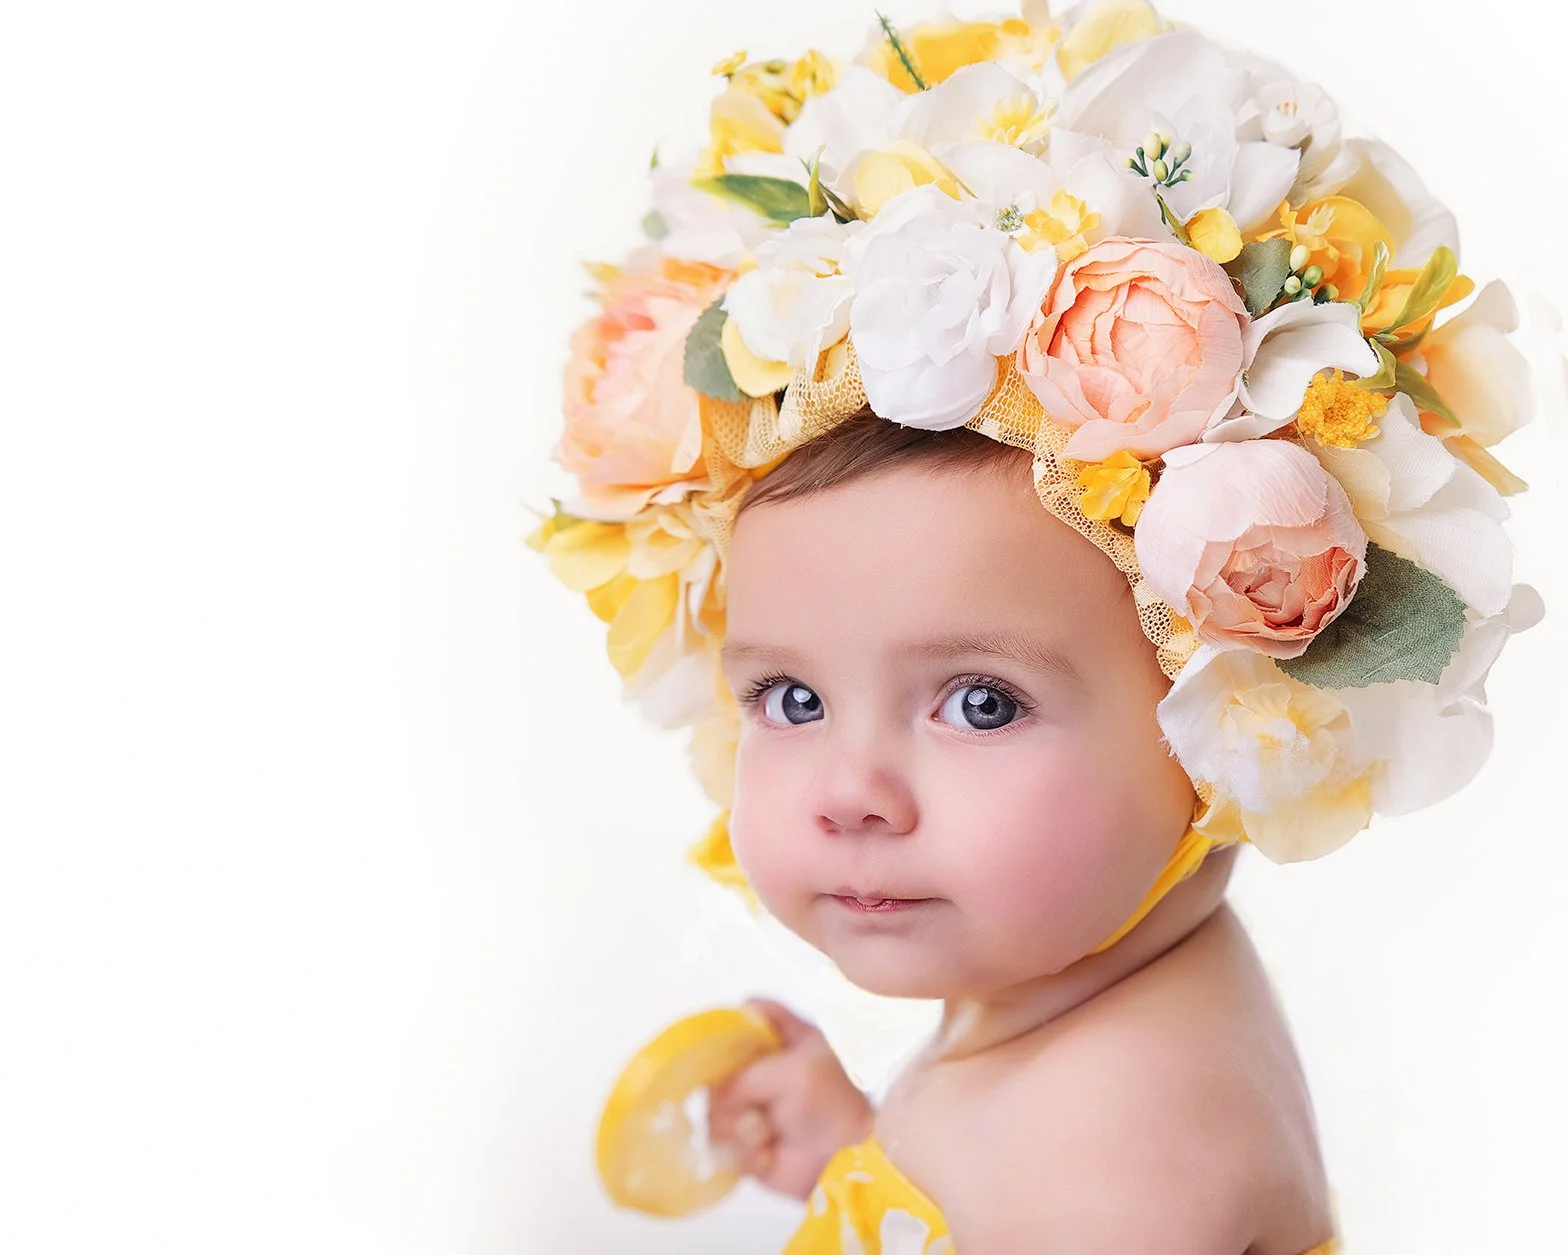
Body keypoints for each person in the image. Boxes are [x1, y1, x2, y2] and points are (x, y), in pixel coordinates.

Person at [531, 2, 1539, 1248]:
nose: (849, 791)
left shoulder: (1117, 1158)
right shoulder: (1081, 1024)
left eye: (979, 702)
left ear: (1223, 707)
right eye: (790, 699)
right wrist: (870, 1156)